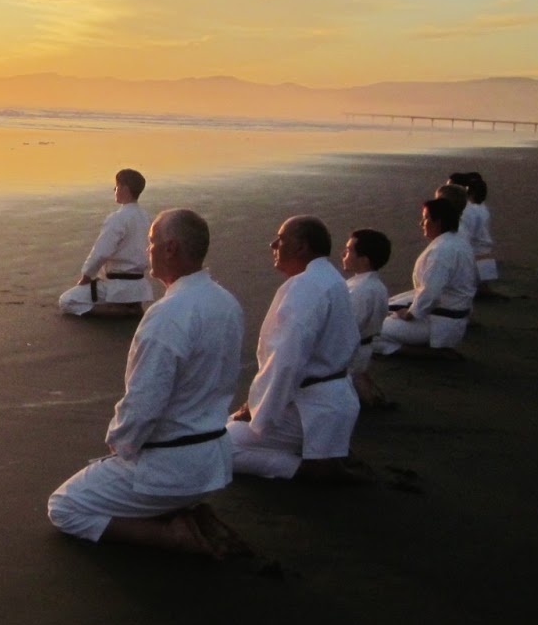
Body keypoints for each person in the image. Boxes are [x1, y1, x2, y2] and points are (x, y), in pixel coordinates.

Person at [48, 209, 249, 556]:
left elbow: (144, 403)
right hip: (214, 462)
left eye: (152, 242)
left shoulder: (168, 315)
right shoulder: (225, 301)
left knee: (65, 507)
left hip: (170, 468)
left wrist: (120, 446)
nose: (147, 251)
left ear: (170, 249)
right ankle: (186, 509)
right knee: (115, 471)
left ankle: (174, 536)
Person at [227, 216, 361, 481]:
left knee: (218, 448)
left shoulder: (306, 286)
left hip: (312, 408)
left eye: (281, 239)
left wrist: (258, 411)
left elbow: (286, 361)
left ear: (301, 248)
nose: (273, 244)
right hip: (330, 403)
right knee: (226, 425)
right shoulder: (329, 277)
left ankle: (305, 467)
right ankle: (323, 452)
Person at [373, 197, 477, 354]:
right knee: (387, 306)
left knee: (369, 332)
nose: (422, 223)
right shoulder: (457, 241)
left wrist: (410, 314)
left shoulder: (441, 251)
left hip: (440, 323)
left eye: (426, 218)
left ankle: (424, 352)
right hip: (451, 311)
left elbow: (431, 292)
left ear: (438, 222)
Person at [58, 168, 153, 316]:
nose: (114, 189)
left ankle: (117, 310)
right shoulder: (145, 216)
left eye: (117, 185)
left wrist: (86, 276)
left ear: (124, 188)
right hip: (137, 284)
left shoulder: (118, 218)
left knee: (67, 301)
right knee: (88, 294)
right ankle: (129, 305)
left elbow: (101, 253)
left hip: (116, 285)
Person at [342, 228, 393, 412]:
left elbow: (347, 331)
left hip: (352, 354)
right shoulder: (375, 284)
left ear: (363, 260)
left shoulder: (360, 291)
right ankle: (361, 384)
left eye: (349, 251)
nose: (344, 254)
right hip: (364, 350)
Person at [451, 171, 498, 290]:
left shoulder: (467, 211)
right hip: (486, 262)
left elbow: (464, 239)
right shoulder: (481, 207)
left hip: (476, 264)